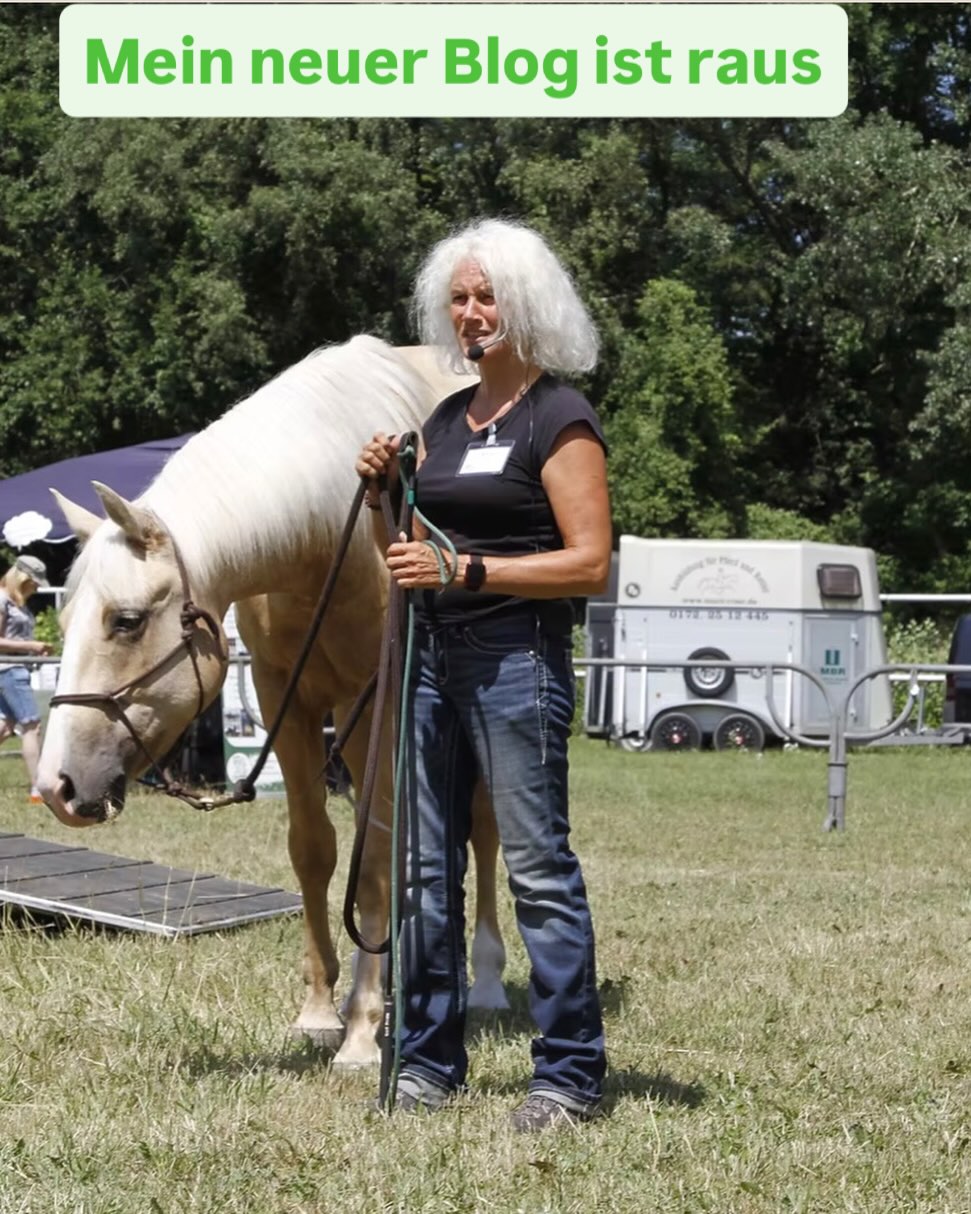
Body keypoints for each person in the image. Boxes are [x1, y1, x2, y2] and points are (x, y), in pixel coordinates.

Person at [355, 218, 611, 1132]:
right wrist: (388, 493)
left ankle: (568, 1077)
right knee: (424, 871)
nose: (470, 314)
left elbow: (590, 565)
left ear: (525, 303)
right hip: (430, 663)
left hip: (514, 660)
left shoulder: (559, 416)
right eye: (458, 298)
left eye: (487, 295)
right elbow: (411, 549)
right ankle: (426, 1063)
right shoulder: (442, 422)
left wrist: (469, 573)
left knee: (537, 871)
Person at [0, 555, 53, 803]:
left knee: (6, 727)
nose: (37, 588)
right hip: (9, 670)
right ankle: (37, 789)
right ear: (22, 578)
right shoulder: (2, 600)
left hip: (13, 669)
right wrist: (31, 645)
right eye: (34, 582)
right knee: (32, 726)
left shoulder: (15, 601)